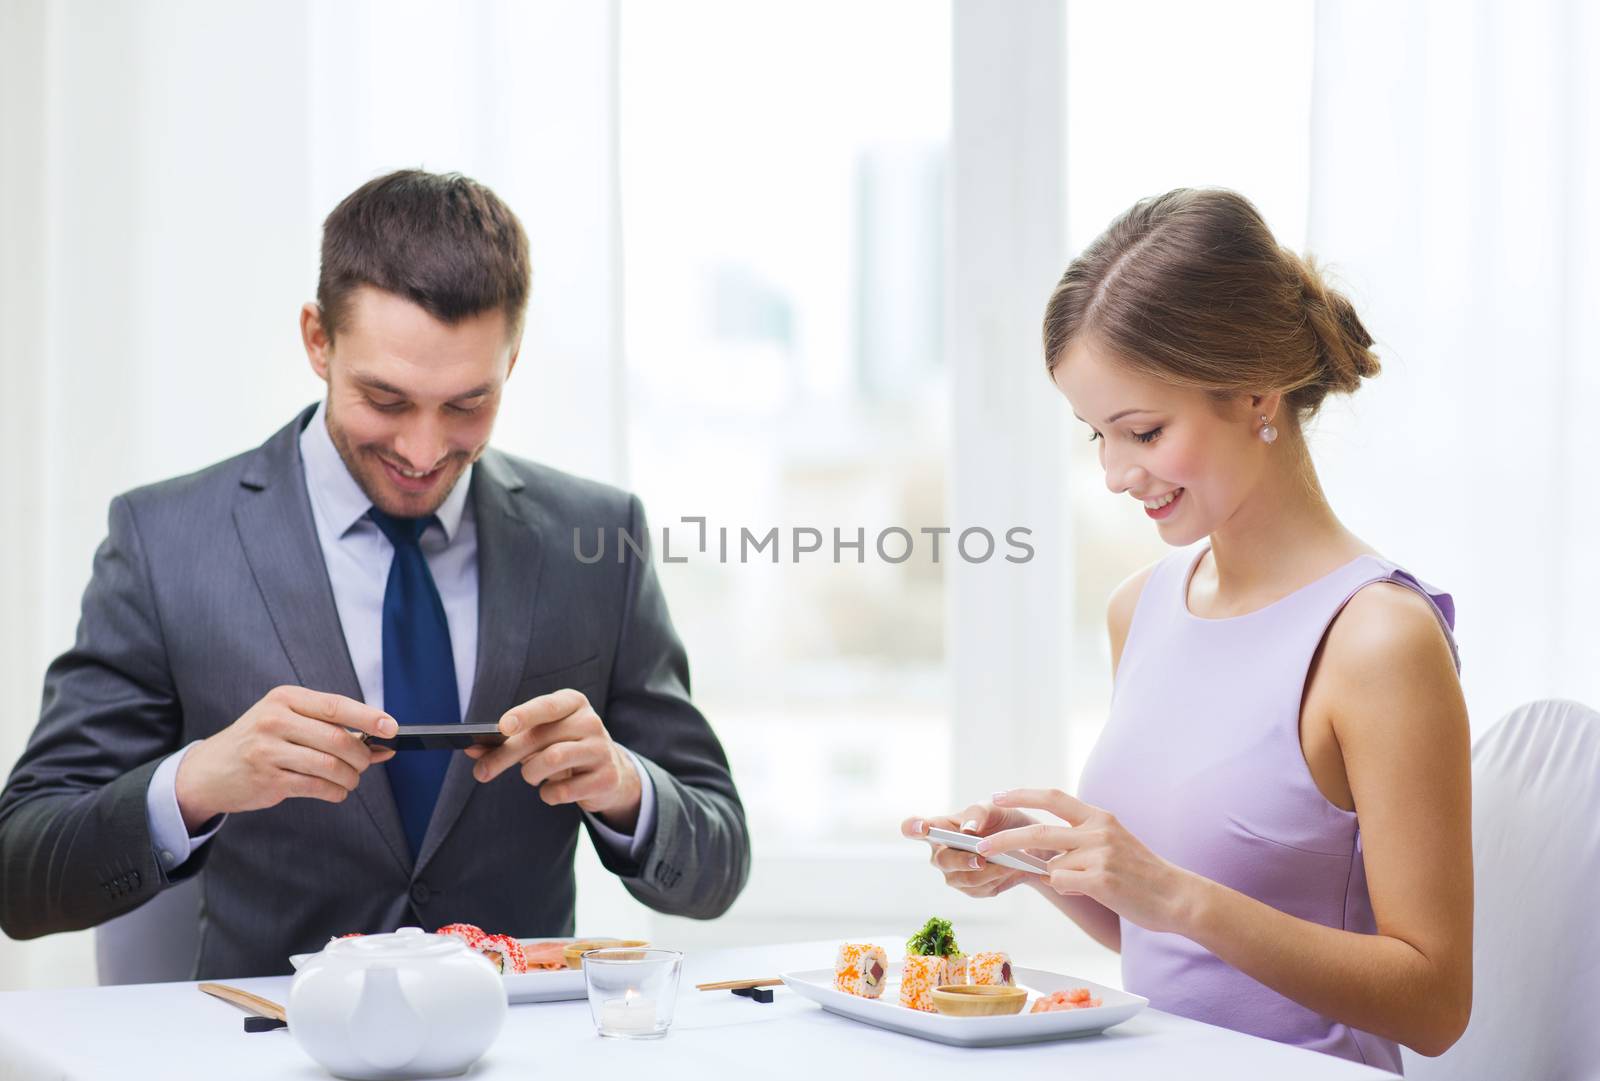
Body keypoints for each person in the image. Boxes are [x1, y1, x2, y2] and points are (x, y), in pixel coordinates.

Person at [0, 169, 750, 978]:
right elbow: (22, 875)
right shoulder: (165, 542)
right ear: (317, 340)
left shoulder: (596, 539)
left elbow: (718, 863)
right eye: (385, 399)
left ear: (513, 358)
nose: (425, 451)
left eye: (467, 404)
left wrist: (626, 787)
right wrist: (196, 781)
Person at [903, 189, 1470, 1069]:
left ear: (1255, 392)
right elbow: (1165, 945)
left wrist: (1172, 893)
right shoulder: (1142, 608)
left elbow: (1434, 1003)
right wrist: (1042, 863)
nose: (1115, 473)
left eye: (1142, 430)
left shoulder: (1376, 639)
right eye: (1095, 434)